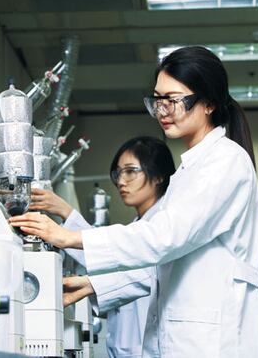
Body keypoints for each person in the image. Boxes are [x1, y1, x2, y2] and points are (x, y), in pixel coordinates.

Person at [11, 46, 258, 357]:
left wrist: (70, 237)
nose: (162, 111)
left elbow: (163, 237)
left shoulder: (226, 162)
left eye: (173, 100)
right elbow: (160, 267)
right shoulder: (190, 170)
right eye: (157, 100)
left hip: (212, 343)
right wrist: (94, 285)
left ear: (209, 103)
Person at [29, 136, 175, 358]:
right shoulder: (139, 226)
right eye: (118, 173)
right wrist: (65, 212)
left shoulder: (165, 228)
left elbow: (141, 272)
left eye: (130, 171)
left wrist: (90, 283)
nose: (121, 181)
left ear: (158, 176)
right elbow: (109, 257)